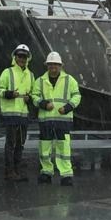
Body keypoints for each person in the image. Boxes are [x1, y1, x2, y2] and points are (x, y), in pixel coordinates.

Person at [30, 51, 81, 185]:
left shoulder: (70, 80)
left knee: (63, 148)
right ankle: (46, 172)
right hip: (46, 120)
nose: (53, 67)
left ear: (61, 66)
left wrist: (68, 107)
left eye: (56, 64)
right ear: (47, 65)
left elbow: (77, 96)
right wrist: (44, 104)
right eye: (51, 64)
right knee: (44, 148)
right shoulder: (39, 81)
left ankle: (66, 175)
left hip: (63, 120)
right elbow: (34, 96)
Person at [0, 44, 35, 182]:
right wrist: (9, 94)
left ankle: (17, 171)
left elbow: (33, 94)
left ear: (27, 58)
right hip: (11, 114)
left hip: (23, 114)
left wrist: (29, 98)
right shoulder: (7, 72)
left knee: (20, 144)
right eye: (19, 56)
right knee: (10, 144)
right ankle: (9, 172)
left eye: (24, 56)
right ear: (15, 57)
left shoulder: (31, 75)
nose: (22, 59)